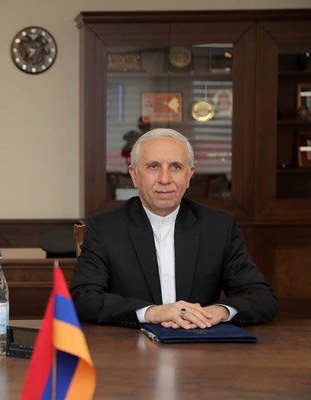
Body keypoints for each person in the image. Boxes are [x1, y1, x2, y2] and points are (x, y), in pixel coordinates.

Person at [70, 128, 278, 329]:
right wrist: (152, 313)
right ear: (134, 175)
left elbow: (262, 297)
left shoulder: (218, 226)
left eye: (176, 167)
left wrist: (220, 311)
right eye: (153, 166)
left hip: (200, 343)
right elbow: (83, 298)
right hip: (130, 346)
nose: (165, 179)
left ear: (189, 175)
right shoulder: (105, 228)